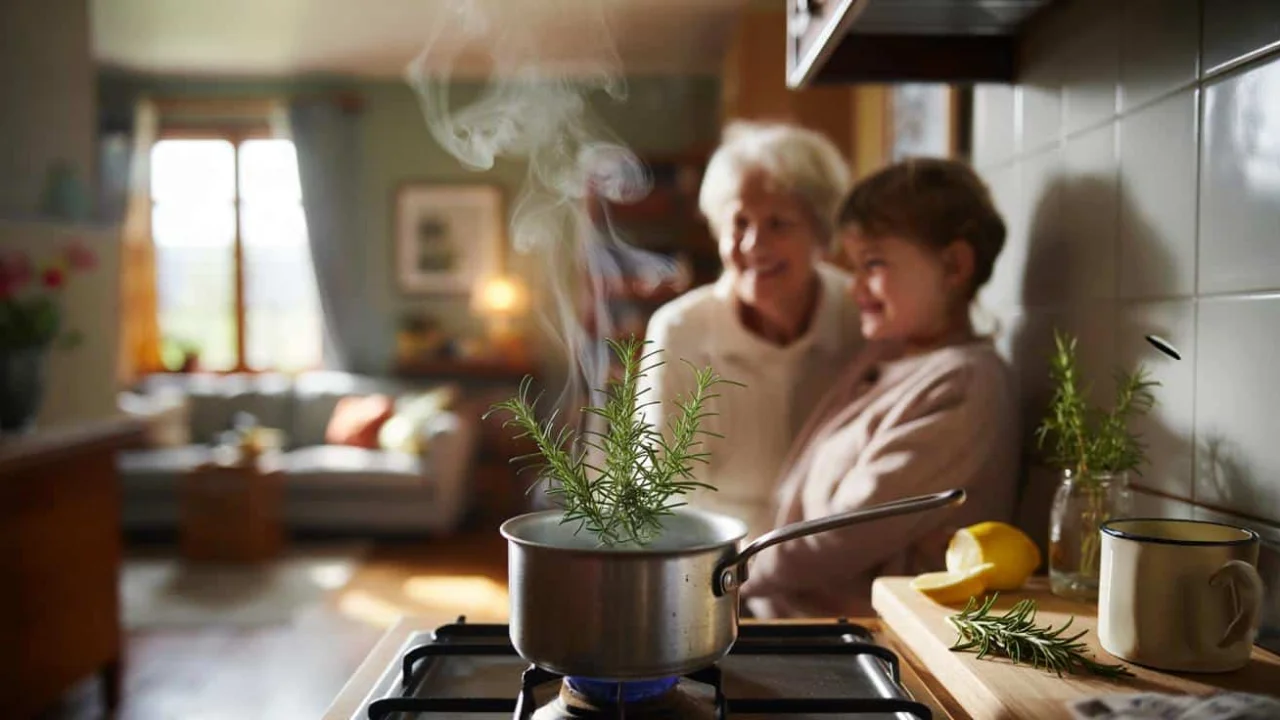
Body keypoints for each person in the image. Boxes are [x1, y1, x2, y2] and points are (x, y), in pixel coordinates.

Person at [739, 157, 1021, 619]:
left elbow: (838, 536)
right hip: (785, 617)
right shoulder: (892, 357)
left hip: (852, 642)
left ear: (954, 265)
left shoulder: (965, 383)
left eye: (873, 264)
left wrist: (722, 573)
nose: (855, 289)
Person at [639, 121, 863, 541]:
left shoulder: (858, 314)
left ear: (821, 232)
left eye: (779, 223)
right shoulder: (680, 330)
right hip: (718, 561)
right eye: (739, 222)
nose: (754, 244)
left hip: (833, 555)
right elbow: (663, 493)